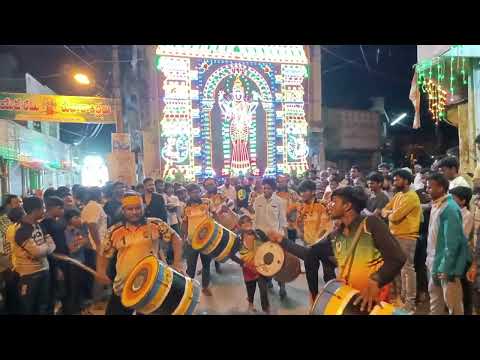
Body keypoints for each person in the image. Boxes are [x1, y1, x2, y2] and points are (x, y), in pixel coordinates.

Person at [270, 186, 406, 311]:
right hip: (351, 300)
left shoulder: (370, 224)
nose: (329, 205)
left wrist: (377, 280)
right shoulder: (335, 235)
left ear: (347, 206)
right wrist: (282, 241)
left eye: (334, 201)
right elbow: (310, 254)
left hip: (375, 301)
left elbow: (397, 257)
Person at [96, 191, 184, 315]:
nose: (134, 212)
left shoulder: (155, 224)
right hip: (123, 284)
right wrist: (100, 271)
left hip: (151, 283)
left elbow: (176, 239)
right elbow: (104, 253)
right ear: (123, 210)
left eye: (138, 208)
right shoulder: (114, 230)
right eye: (129, 209)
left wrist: (177, 263)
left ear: (143, 207)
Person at [426, 173, 471, 315]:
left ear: (440, 188)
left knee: (453, 304)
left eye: (430, 187)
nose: (427, 190)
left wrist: (446, 267)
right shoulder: (437, 205)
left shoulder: (450, 208)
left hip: (445, 266)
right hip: (434, 261)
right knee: (435, 301)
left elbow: (452, 242)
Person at [381, 169, 421, 313]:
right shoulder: (399, 195)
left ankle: (410, 303)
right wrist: (389, 213)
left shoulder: (411, 197)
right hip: (395, 235)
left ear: (406, 180)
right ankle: (401, 299)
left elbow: (394, 216)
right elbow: (384, 210)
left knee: (407, 270)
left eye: (397, 180)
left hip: (407, 237)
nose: (394, 182)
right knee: (399, 270)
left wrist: (389, 213)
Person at [12, 197, 56, 314]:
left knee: (43, 306)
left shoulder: (39, 225)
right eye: (43, 208)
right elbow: (37, 252)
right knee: (29, 307)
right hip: (29, 275)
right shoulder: (21, 230)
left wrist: (44, 249)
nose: (45, 211)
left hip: (44, 270)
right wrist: (46, 249)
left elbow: (52, 245)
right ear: (35, 210)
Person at [295, 179, 336, 286]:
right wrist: (300, 232)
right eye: (301, 191)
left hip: (324, 246)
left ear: (313, 192)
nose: (302, 194)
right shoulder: (301, 207)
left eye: (305, 191)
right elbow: (298, 223)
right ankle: (313, 300)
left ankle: (333, 300)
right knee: (311, 276)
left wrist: (319, 240)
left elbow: (327, 227)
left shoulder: (322, 206)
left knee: (329, 276)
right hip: (309, 247)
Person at [253, 177, 288, 299]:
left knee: (278, 262)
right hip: (260, 237)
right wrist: (254, 235)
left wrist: (285, 239)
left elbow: (283, 221)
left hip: (275, 237)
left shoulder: (279, 201)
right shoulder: (257, 200)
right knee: (265, 261)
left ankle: (282, 285)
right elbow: (255, 219)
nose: (265, 190)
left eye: (268, 188)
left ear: (273, 189)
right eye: (264, 187)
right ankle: (268, 281)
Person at [230, 217, 270, 314]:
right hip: (248, 269)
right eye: (244, 223)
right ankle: (250, 305)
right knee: (250, 289)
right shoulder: (238, 239)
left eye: (248, 221)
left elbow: (269, 244)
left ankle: (266, 309)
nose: (247, 224)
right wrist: (243, 263)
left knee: (263, 290)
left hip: (261, 268)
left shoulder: (259, 233)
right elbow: (231, 254)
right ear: (240, 226)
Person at [182, 183, 215, 296]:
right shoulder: (186, 207)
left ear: (200, 192)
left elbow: (213, 217)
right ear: (189, 193)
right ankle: (189, 288)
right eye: (192, 192)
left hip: (206, 241)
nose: (195, 194)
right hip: (191, 242)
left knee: (206, 265)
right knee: (190, 267)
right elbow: (185, 223)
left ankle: (205, 287)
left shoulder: (207, 203)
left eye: (197, 192)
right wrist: (184, 238)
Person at [80, 187, 108, 310]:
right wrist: (98, 244)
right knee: (100, 273)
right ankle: (96, 301)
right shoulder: (94, 206)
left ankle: (98, 298)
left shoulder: (90, 206)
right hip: (97, 245)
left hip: (95, 244)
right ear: (98, 194)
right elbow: (92, 225)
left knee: (99, 272)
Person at [40, 196, 69, 315]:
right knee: (53, 292)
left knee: (60, 290)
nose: (63, 211)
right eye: (61, 208)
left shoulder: (55, 222)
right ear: (53, 208)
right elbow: (49, 248)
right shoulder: (45, 224)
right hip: (54, 261)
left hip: (62, 259)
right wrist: (56, 267)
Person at [449, 186, 474, 315]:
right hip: (454, 254)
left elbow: (460, 236)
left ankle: (468, 311)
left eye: (453, 199)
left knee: (464, 287)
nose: (450, 201)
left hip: (462, 256)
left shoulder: (467, 215)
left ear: (463, 201)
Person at [64, 208, 90, 315]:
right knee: (73, 289)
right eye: (76, 217)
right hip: (73, 264)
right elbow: (71, 249)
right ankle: (73, 310)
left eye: (79, 217)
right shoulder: (67, 232)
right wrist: (82, 243)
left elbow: (87, 243)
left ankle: (80, 308)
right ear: (69, 220)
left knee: (80, 286)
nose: (79, 219)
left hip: (81, 263)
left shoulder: (80, 230)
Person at [0, 195, 22, 314]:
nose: (19, 205)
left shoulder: (17, 220)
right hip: (6, 259)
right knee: (11, 288)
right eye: (16, 203)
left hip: (14, 258)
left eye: (20, 202)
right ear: (8, 205)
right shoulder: (4, 220)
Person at [415, 168, 431, 304]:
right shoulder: (417, 193)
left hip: (427, 235)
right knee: (417, 264)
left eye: (427, 178)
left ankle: (424, 291)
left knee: (423, 264)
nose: (425, 181)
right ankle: (419, 291)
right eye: (423, 178)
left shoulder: (435, 197)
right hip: (416, 234)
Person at [276, 175, 302, 244]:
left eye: (282, 181)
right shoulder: (274, 194)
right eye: (279, 182)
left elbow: (300, 204)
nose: (280, 183)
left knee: (291, 246)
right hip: (278, 225)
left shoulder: (292, 193)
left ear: (286, 182)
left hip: (290, 225)